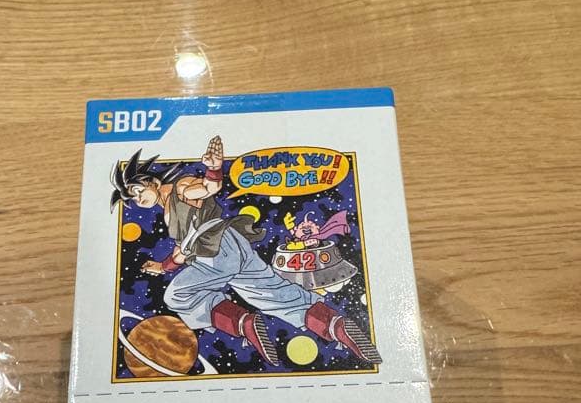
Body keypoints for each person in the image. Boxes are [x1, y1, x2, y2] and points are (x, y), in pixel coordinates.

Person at [110, 136, 381, 366]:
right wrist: (163, 266)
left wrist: (214, 169)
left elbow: (207, 188)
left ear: (151, 181)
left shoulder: (180, 189)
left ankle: (242, 323)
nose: (138, 199)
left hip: (216, 251)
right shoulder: (168, 207)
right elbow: (183, 251)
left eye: (138, 190)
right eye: (133, 199)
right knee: (275, 295)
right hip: (233, 245)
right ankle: (336, 326)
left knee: (178, 295)